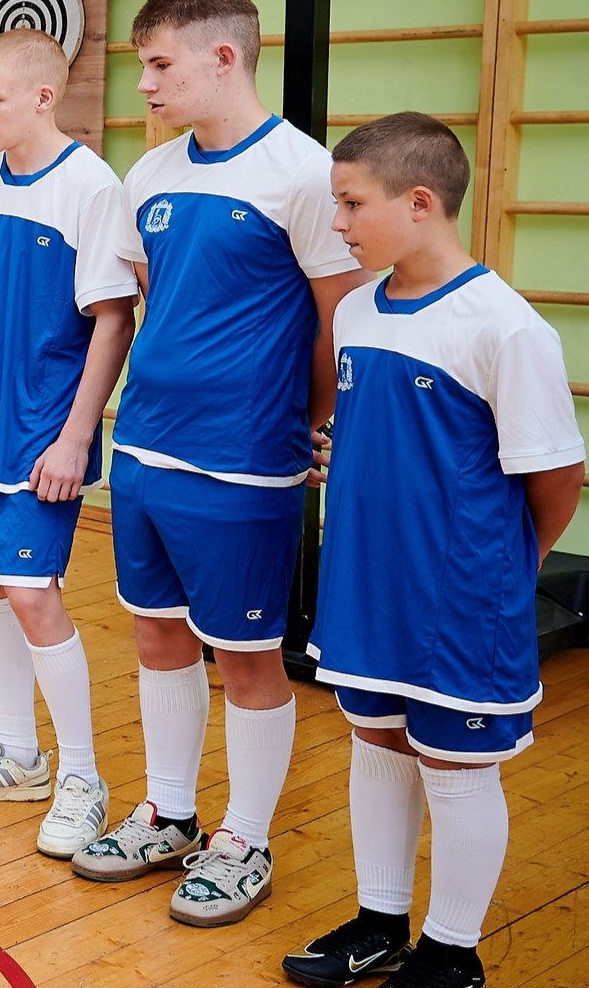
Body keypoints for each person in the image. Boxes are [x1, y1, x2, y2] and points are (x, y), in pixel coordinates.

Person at [74, 0, 370, 924]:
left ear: (224, 57)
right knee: (157, 634)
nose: (145, 85)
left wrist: (311, 420)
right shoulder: (150, 175)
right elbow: (158, 304)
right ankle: (169, 811)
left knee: (246, 655)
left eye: (160, 64)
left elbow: (337, 321)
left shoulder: (303, 173)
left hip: (244, 460)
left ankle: (244, 837)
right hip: (146, 446)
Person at [280, 112, 583, 988]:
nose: (337, 222)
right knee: (377, 740)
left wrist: (508, 568)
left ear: (419, 203)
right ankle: (381, 923)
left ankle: (453, 954)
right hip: (367, 584)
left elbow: (557, 477)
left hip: (461, 597)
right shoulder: (359, 310)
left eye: (351, 203)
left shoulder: (505, 326)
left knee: (454, 763)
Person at [0, 29, 136, 864]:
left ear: (44, 97)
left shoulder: (91, 186)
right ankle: (18, 753)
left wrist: (78, 436)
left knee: (34, 594)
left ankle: (81, 775)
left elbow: (113, 319)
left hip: (39, 433)